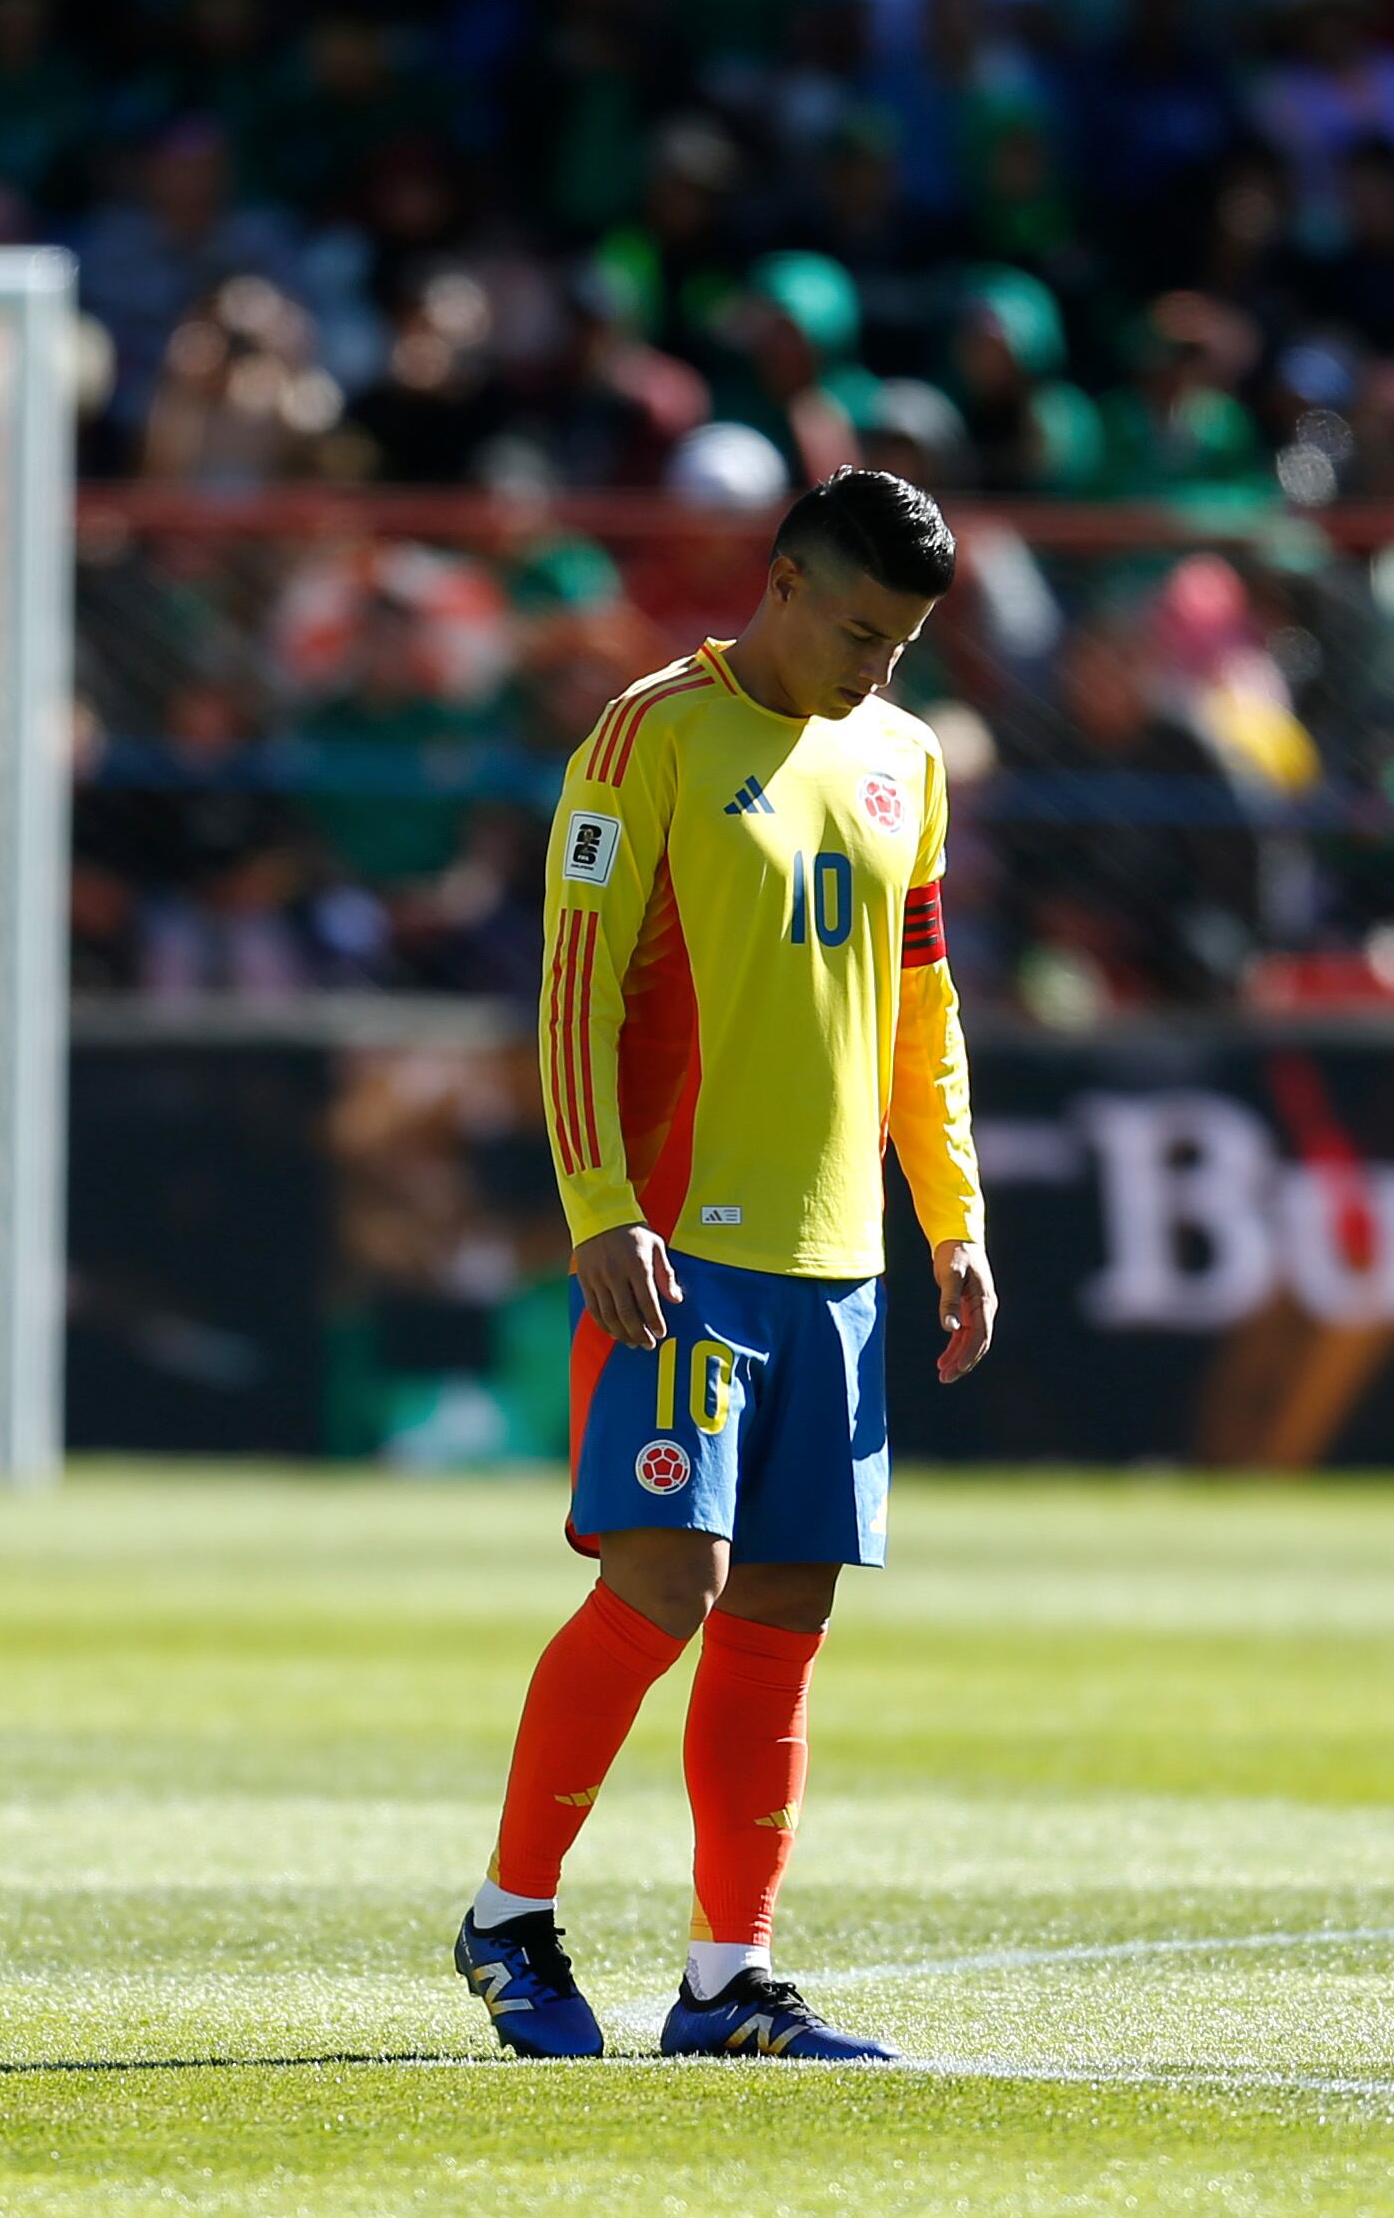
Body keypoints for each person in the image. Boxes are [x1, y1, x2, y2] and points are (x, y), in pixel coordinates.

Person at [455, 468, 994, 2063]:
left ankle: (724, 1980)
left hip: (837, 1265)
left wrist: (949, 1219)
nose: (874, 669)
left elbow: (921, 1012)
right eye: (855, 628)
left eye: (899, 644)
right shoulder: (646, 738)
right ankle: (506, 1918)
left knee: (779, 1609)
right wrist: (596, 1203)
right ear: (778, 582)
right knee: (662, 1582)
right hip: (679, 1247)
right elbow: (570, 990)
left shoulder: (902, 762)